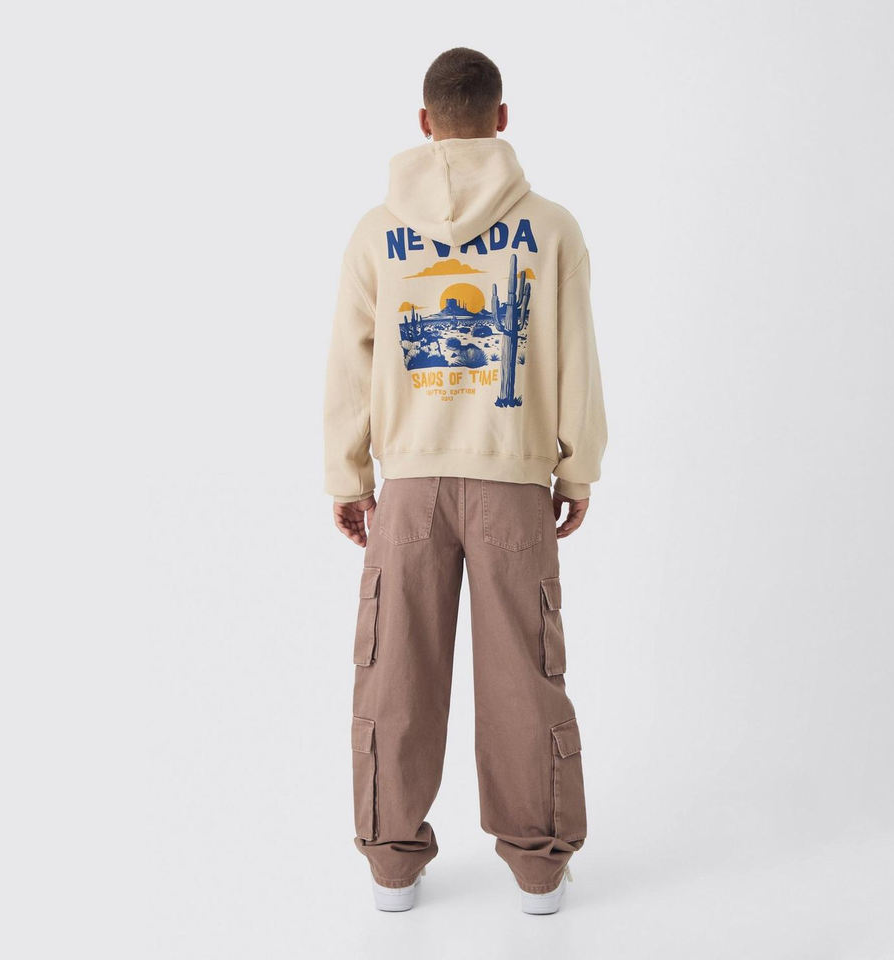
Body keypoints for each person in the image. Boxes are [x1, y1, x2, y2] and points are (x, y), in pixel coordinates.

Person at [323, 46, 608, 914]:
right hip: (511, 479)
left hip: (408, 485)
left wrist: (347, 474)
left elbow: (350, 363)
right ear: (502, 118)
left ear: (424, 123)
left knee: (396, 674)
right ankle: (538, 872)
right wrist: (576, 466)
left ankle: (392, 869)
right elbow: (575, 356)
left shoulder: (376, 233)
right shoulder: (551, 228)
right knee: (525, 674)